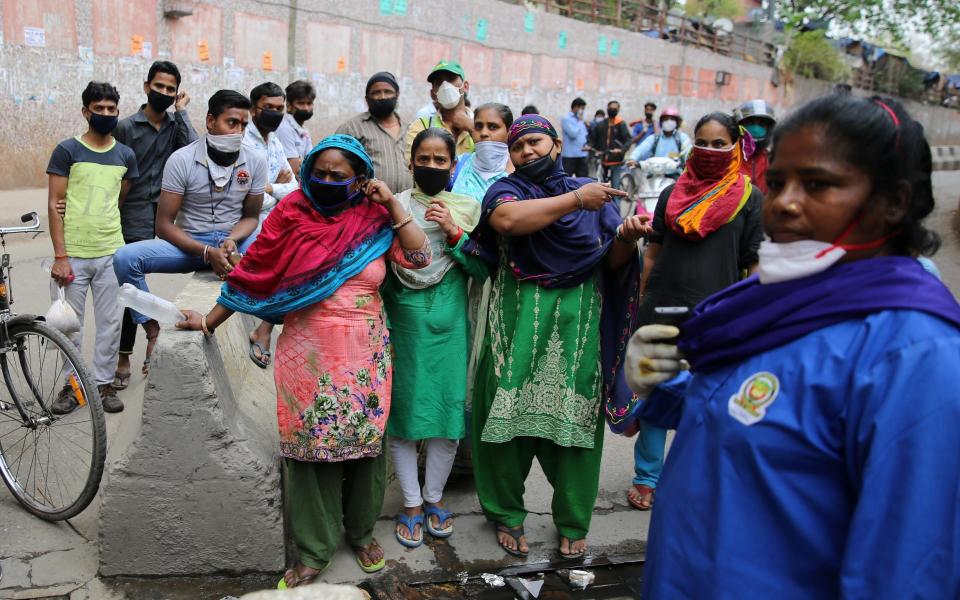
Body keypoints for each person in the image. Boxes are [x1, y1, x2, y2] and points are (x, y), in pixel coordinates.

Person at [623, 95, 960, 597]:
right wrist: (670, 384)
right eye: (777, 182)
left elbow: (905, 575)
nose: (783, 202)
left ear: (893, 201)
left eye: (818, 184)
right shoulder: (768, 304)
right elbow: (763, 413)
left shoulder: (915, 356)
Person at [176, 134, 431, 586]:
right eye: (321, 173)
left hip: (365, 353)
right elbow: (252, 276)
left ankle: (361, 533)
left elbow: (418, 255)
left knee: (365, 448)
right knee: (312, 453)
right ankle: (314, 550)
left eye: (340, 176)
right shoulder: (289, 215)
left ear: (360, 180)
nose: (328, 181)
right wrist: (210, 322)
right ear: (308, 171)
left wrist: (391, 203)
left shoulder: (373, 219)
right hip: (306, 354)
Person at [468, 114, 649, 560]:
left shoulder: (593, 198)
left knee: (576, 430)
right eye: (518, 147)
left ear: (554, 144)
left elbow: (612, 262)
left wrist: (624, 236)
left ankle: (572, 520)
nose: (527, 152)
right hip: (514, 330)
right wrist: (574, 200)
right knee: (503, 428)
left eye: (535, 142)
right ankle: (507, 513)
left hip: (578, 334)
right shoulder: (508, 191)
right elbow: (507, 222)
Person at [622, 112, 762, 511]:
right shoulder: (670, 195)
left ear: (735, 146)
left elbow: (753, 265)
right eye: (703, 142)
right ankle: (647, 478)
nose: (711, 151)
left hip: (717, 317)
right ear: (691, 145)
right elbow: (653, 254)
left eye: (720, 144)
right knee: (655, 395)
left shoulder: (750, 199)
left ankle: (691, 476)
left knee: (705, 401)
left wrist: (751, 317)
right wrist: (640, 303)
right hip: (661, 312)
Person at [113, 90, 266, 368]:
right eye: (231, 123)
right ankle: (151, 328)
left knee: (272, 242)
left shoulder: (254, 160)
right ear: (210, 121)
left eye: (244, 125)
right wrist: (206, 252)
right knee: (124, 258)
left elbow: (252, 217)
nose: (238, 132)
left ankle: (263, 330)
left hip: (234, 242)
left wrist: (232, 240)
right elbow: (162, 225)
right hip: (192, 244)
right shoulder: (181, 160)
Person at [385, 128, 485, 548]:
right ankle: (410, 504)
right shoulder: (394, 206)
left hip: (448, 330)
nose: (430, 166)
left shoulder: (467, 208)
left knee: (446, 419)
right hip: (402, 324)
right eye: (422, 159)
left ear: (452, 166)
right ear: (411, 162)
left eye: (439, 160)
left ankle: (434, 499)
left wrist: (456, 234)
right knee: (404, 417)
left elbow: (483, 269)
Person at [46, 81, 138, 414]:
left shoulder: (125, 155)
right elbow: (55, 202)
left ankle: (102, 385)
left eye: (111, 109)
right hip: (72, 256)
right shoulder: (67, 150)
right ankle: (73, 388)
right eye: (98, 109)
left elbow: (118, 199)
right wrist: (60, 256)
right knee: (69, 327)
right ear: (86, 112)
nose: (105, 114)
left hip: (111, 253)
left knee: (111, 325)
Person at [109, 60, 196, 389]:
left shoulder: (175, 125)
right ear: (147, 87)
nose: (163, 92)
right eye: (158, 86)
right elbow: (113, 170)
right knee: (129, 284)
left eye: (170, 89)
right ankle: (126, 354)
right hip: (130, 212)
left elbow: (192, 148)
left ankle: (147, 335)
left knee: (133, 283)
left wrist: (182, 112)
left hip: (163, 216)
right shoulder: (127, 127)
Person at [450, 103, 514, 470]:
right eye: (480, 127)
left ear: (508, 132)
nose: (486, 134)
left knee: (488, 364)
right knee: (461, 361)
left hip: (497, 281)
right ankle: (453, 454)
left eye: (494, 127)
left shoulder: (516, 175)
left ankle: (481, 458)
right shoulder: (460, 166)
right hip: (460, 279)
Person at [243, 82, 299, 369]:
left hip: (274, 220)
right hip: (248, 224)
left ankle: (264, 328)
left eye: (280, 108)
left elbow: (292, 186)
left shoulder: (274, 140)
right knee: (286, 267)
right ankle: (263, 330)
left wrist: (271, 188)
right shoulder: (244, 141)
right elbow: (248, 199)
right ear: (254, 109)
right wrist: (272, 189)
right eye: (269, 108)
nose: (275, 113)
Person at [336, 72, 413, 194]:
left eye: (388, 92)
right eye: (376, 92)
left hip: (406, 207)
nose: (382, 96)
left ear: (397, 95)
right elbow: (335, 163)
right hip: (368, 205)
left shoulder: (411, 129)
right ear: (367, 98)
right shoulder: (352, 128)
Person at [404, 61, 475, 162]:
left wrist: (471, 127)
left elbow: (492, 162)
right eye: (439, 82)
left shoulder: (481, 124)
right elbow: (414, 165)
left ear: (465, 87)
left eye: (451, 79)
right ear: (433, 94)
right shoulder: (421, 126)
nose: (445, 86)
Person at [626, 106, 691, 177]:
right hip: (654, 174)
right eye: (665, 119)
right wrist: (633, 158)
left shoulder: (682, 138)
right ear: (661, 122)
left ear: (677, 122)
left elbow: (688, 152)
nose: (668, 121)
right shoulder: (655, 137)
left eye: (672, 119)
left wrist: (688, 162)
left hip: (674, 174)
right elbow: (642, 148)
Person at [736, 99, 776, 194]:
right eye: (750, 123)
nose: (756, 128)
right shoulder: (730, 158)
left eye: (761, 124)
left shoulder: (773, 159)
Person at [588, 100, 631, 189]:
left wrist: (621, 150)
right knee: (601, 186)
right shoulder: (601, 125)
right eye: (611, 108)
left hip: (616, 161)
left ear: (618, 110)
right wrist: (589, 146)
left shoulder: (621, 124)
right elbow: (592, 138)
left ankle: (616, 203)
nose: (612, 110)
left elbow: (628, 140)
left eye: (615, 108)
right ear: (607, 109)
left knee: (615, 187)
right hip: (603, 160)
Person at [275, 80, 315, 174]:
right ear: (289, 106)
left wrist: (303, 162)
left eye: (309, 103)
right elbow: (294, 170)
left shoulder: (304, 131)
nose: (306, 108)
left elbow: (313, 160)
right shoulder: (284, 128)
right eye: (301, 103)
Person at [560, 98, 589, 177]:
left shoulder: (581, 120)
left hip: (582, 155)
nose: (582, 111)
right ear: (576, 107)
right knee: (566, 181)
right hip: (570, 156)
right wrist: (579, 122)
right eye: (581, 108)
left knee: (583, 182)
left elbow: (584, 135)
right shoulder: (566, 119)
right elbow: (573, 134)